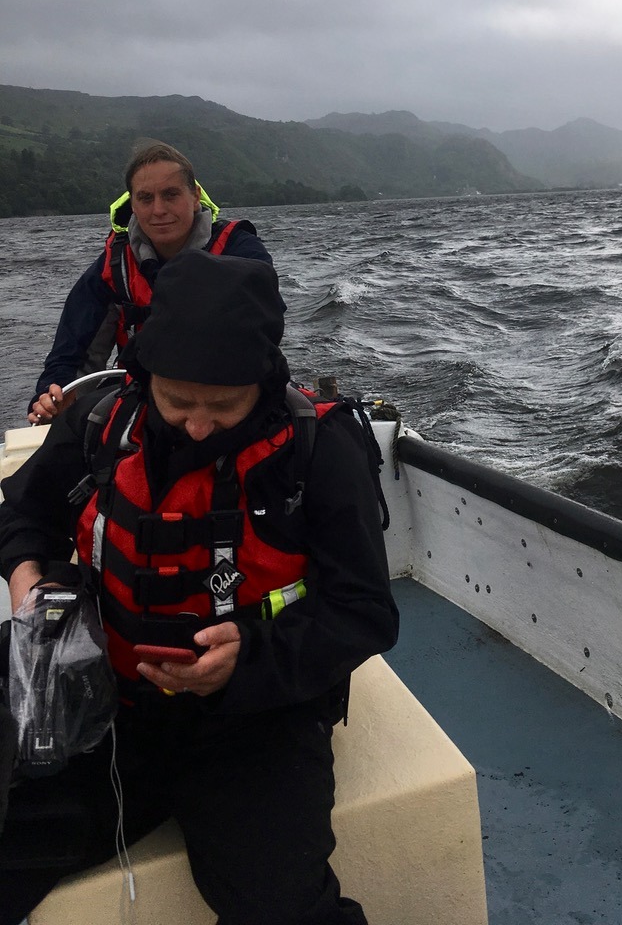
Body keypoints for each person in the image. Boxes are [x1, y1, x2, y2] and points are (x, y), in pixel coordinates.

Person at [0, 252, 399, 925]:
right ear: (145, 374)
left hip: (255, 721)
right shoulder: (101, 421)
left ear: (263, 382)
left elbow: (364, 612)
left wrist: (248, 657)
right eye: (178, 400)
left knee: (282, 908)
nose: (197, 425)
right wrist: (26, 579)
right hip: (106, 703)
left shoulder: (318, 453)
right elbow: (21, 512)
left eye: (224, 405)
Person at [29, 140, 273, 425]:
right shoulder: (114, 267)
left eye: (171, 194)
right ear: (133, 204)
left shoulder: (241, 252)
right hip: (140, 396)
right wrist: (53, 396)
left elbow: (262, 340)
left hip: (226, 400)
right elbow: (71, 349)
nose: (158, 210)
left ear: (195, 196)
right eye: (145, 198)